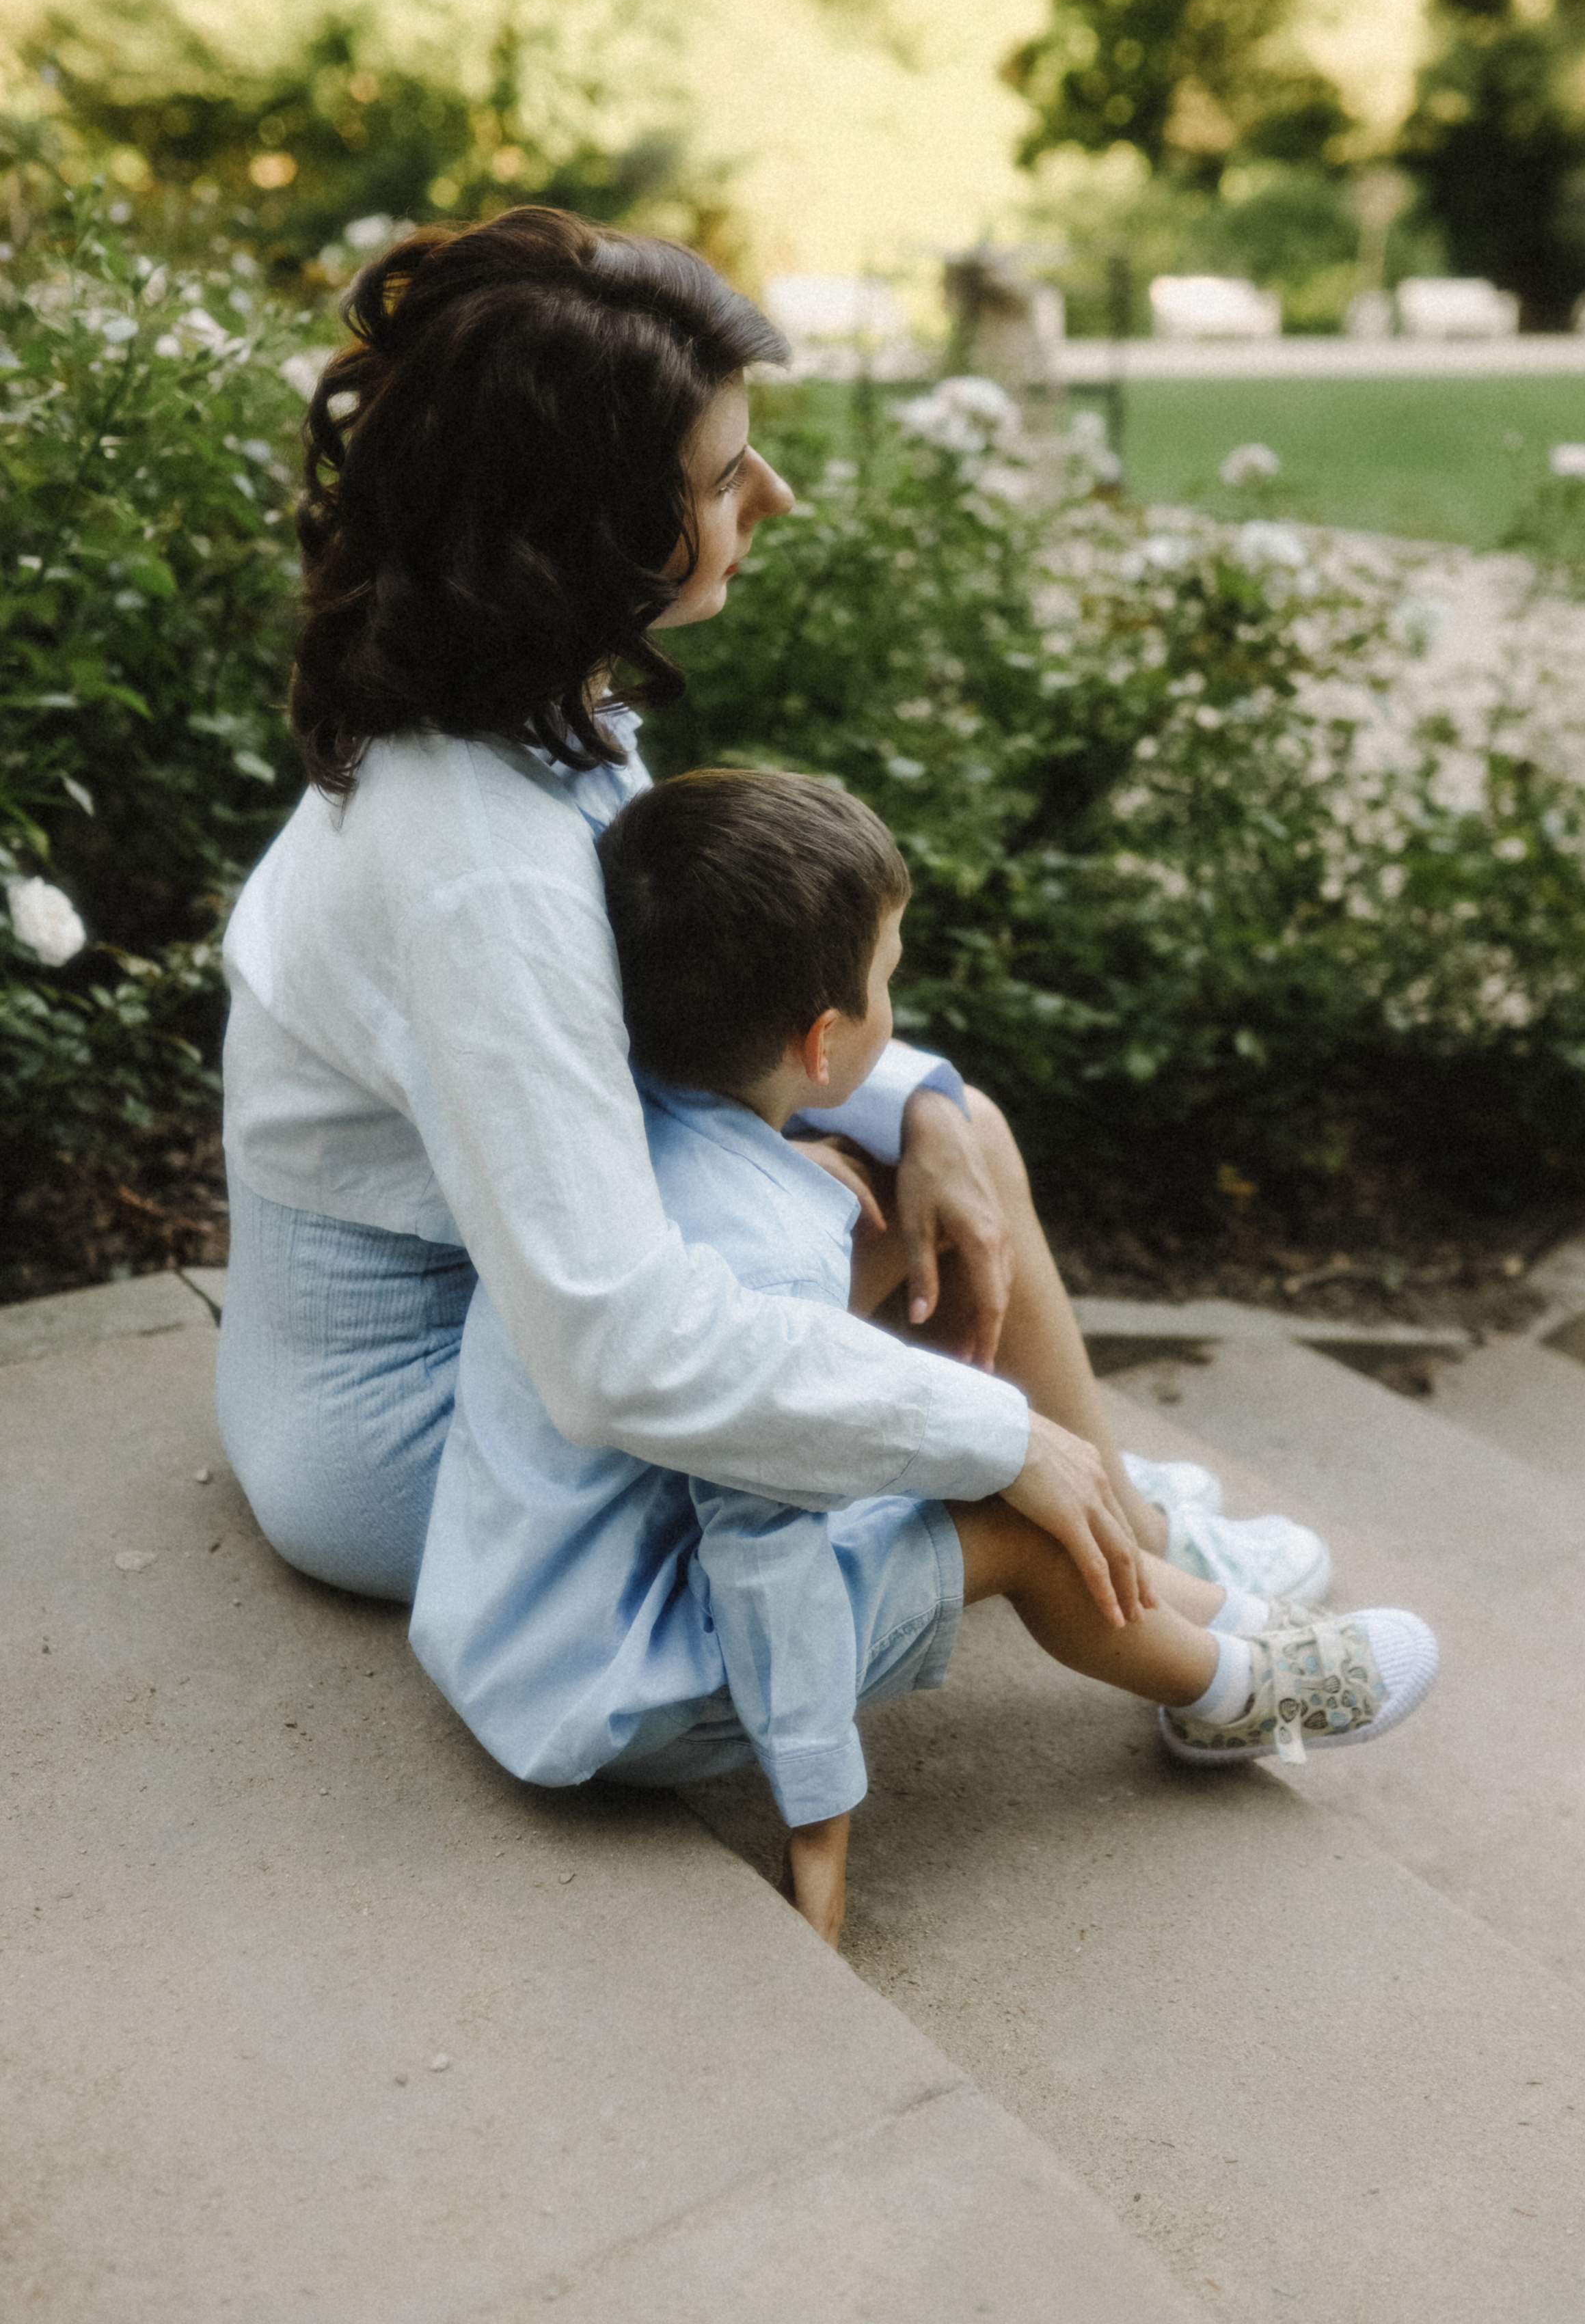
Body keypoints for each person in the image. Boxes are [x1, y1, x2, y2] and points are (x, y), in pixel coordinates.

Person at [213, 205, 1311, 1722]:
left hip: (501, 1313)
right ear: (580, 534)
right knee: (933, 1403)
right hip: (422, 1431)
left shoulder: (515, 708)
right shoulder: (474, 863)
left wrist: (916, 1103)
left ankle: (1119, 1512)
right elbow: (607, 1344)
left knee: (956, 1139)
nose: (774, 498)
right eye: (726, 478)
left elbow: (672, 1019)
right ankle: (1139, 1573)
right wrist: (989, 1441)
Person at [412, 767, 1439, 1947]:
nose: (899, 1006)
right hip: (622, 1694)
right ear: (821, 1040)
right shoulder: (771, 1263)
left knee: (953, 1442)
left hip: (511, 1615)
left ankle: (1222, 1608)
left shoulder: (609, 1133)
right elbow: (765, 1558)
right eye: (891, 982)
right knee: (1022, 1522)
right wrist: (818, 1821)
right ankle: (1227, 1693)